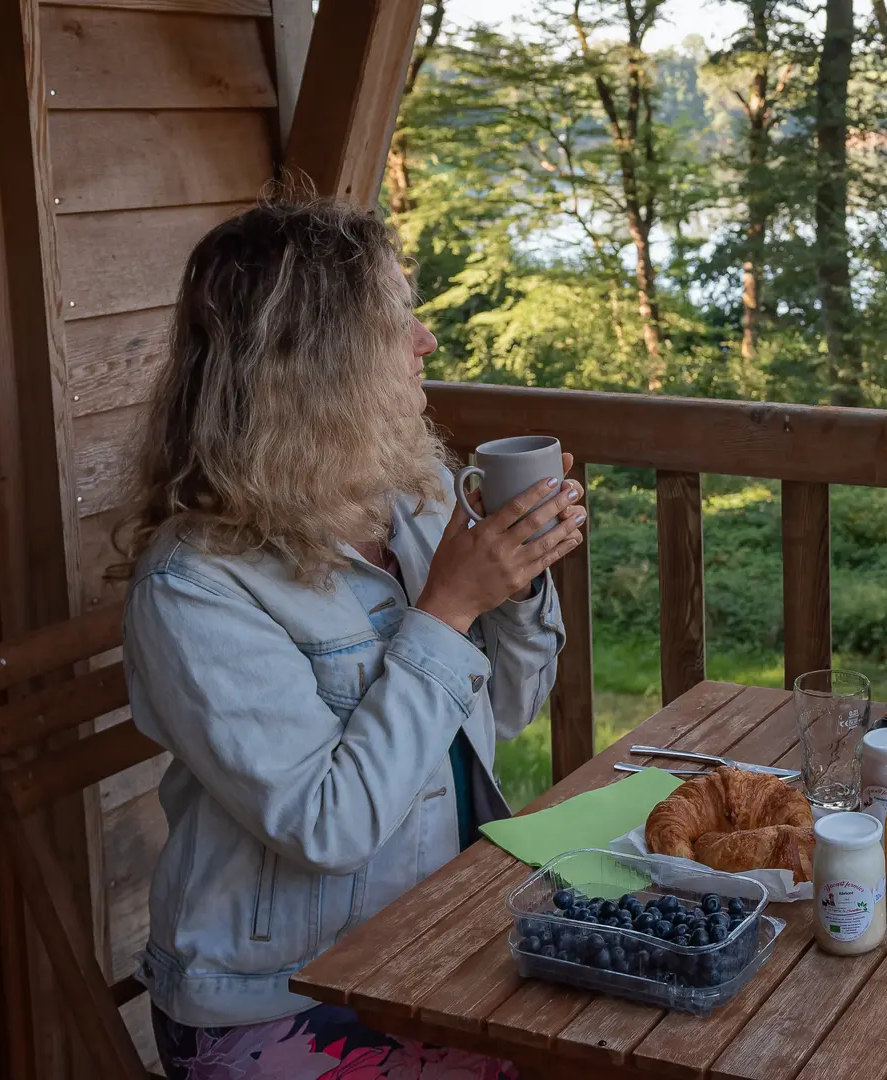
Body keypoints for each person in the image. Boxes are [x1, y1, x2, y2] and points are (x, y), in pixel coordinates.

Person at [116, 198, 583, 1079]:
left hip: (425, 942)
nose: (426, 341)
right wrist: (447, 609)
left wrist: (516, 578)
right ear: (316, 363)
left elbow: (509, 710)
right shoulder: (193, 587)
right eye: (397, 317)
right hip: (285, 996)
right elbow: (329, 826)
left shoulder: (409, 498)